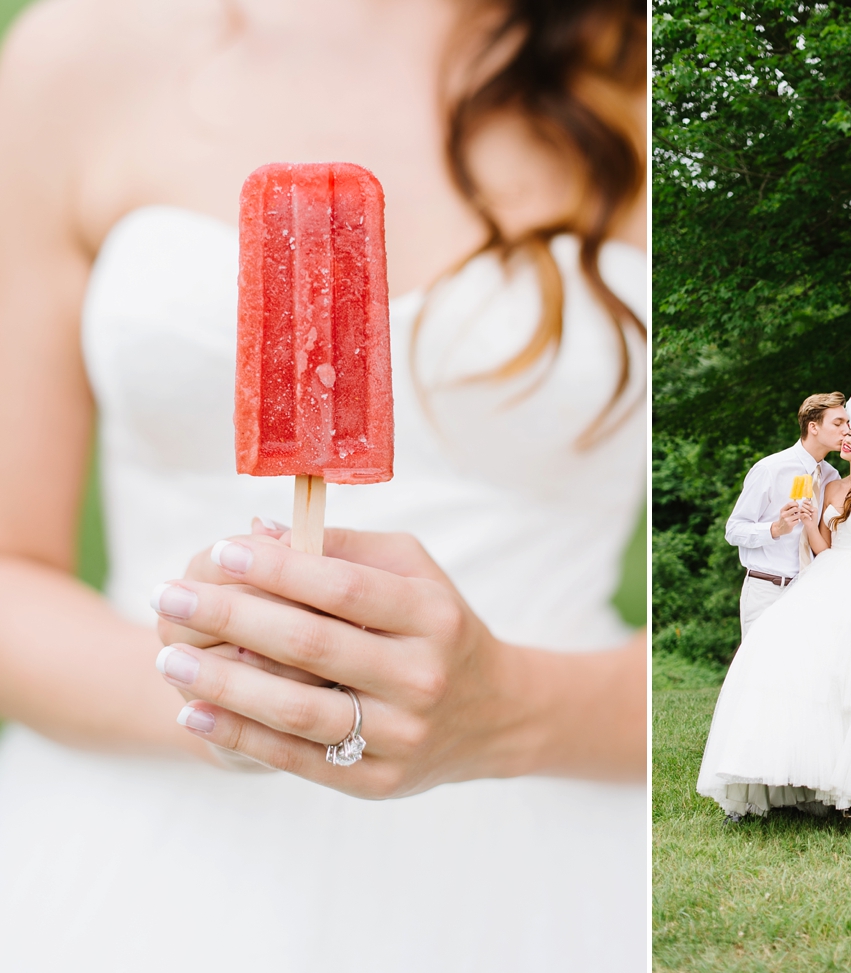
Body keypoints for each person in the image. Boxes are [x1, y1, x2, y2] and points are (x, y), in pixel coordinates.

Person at [0, 1, 646, 970]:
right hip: (141, 852)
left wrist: (509, 704)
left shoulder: (641, 49)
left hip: (550, 846)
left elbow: (730, 640)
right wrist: (225, 705)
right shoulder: (77, 45)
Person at [698, 414, 851, 819]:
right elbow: (824, 549)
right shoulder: (828, 485)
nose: (847, 440)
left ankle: (841, 785)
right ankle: (785, 774)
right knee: (792, 658)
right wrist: (809, 520)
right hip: (826, 576)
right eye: (847, 433)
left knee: (849, 676)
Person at [724, 392, 849, 638]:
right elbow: (733, 530)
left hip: (808, 591)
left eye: (847, 423)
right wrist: (775, 529)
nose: (847, 430)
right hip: (767, 590)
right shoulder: (770, 469)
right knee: (759, 672)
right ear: (813, 427)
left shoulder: (831, 477)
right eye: (838, 423)